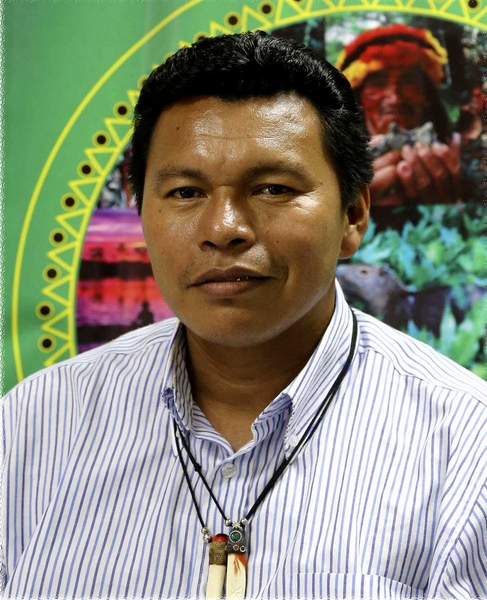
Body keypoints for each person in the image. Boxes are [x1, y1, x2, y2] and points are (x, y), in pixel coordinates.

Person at [2, 31, 487, 599]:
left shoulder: (465, 450)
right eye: (186, 192)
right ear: (141, 212)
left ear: (353, 215)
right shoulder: (35, 427)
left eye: (273, 188)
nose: (223, 229)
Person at [336, 24, 461, 206]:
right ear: (359, 98)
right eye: (378, 82)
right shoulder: (334, 164)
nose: (394, 98)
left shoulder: (461, 154)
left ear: (426, 96)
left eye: (409, 81)